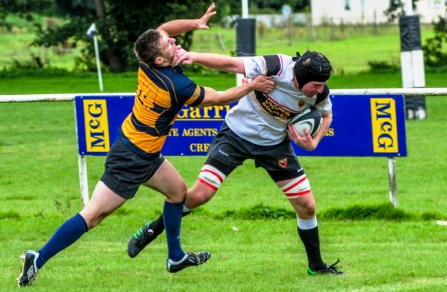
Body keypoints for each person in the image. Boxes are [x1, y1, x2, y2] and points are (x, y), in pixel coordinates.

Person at [16, 3, 275, 287]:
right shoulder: (177, 86)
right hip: (131, 157)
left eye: (171, 41)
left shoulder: (147, 61)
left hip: (144, 151)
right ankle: (37, 258)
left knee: (177, 193)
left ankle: (175, 257)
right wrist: (252, 86)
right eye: (169, 46)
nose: (174, 42)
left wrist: (195, 22)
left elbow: (164, 29)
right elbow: (220, 97)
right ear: (161, 61)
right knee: (92, 216)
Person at [127, 47, 345, 275]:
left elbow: (326, 114)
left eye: (323, 85)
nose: (321, 90)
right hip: (235, 136)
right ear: (299, 77)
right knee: (200, 195)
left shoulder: (319, 92)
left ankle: (317, 266)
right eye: (316, 85)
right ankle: (153, 229)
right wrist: (193, 57)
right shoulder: (276, 66)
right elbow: (231, 64)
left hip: (274, 146)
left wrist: (314, 142)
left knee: (307, 206)